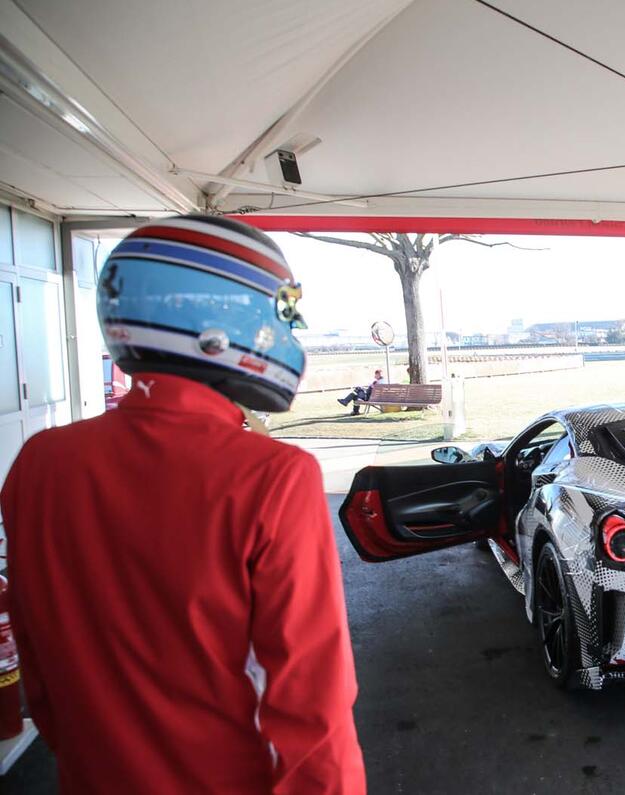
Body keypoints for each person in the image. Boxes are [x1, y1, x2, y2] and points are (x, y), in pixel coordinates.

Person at [0, 215, 365, 793]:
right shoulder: (274, 476)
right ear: (213, 326)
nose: (292, 328)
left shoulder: (37, 463)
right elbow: (312, 711)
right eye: (281, 310)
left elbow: (40, 672)